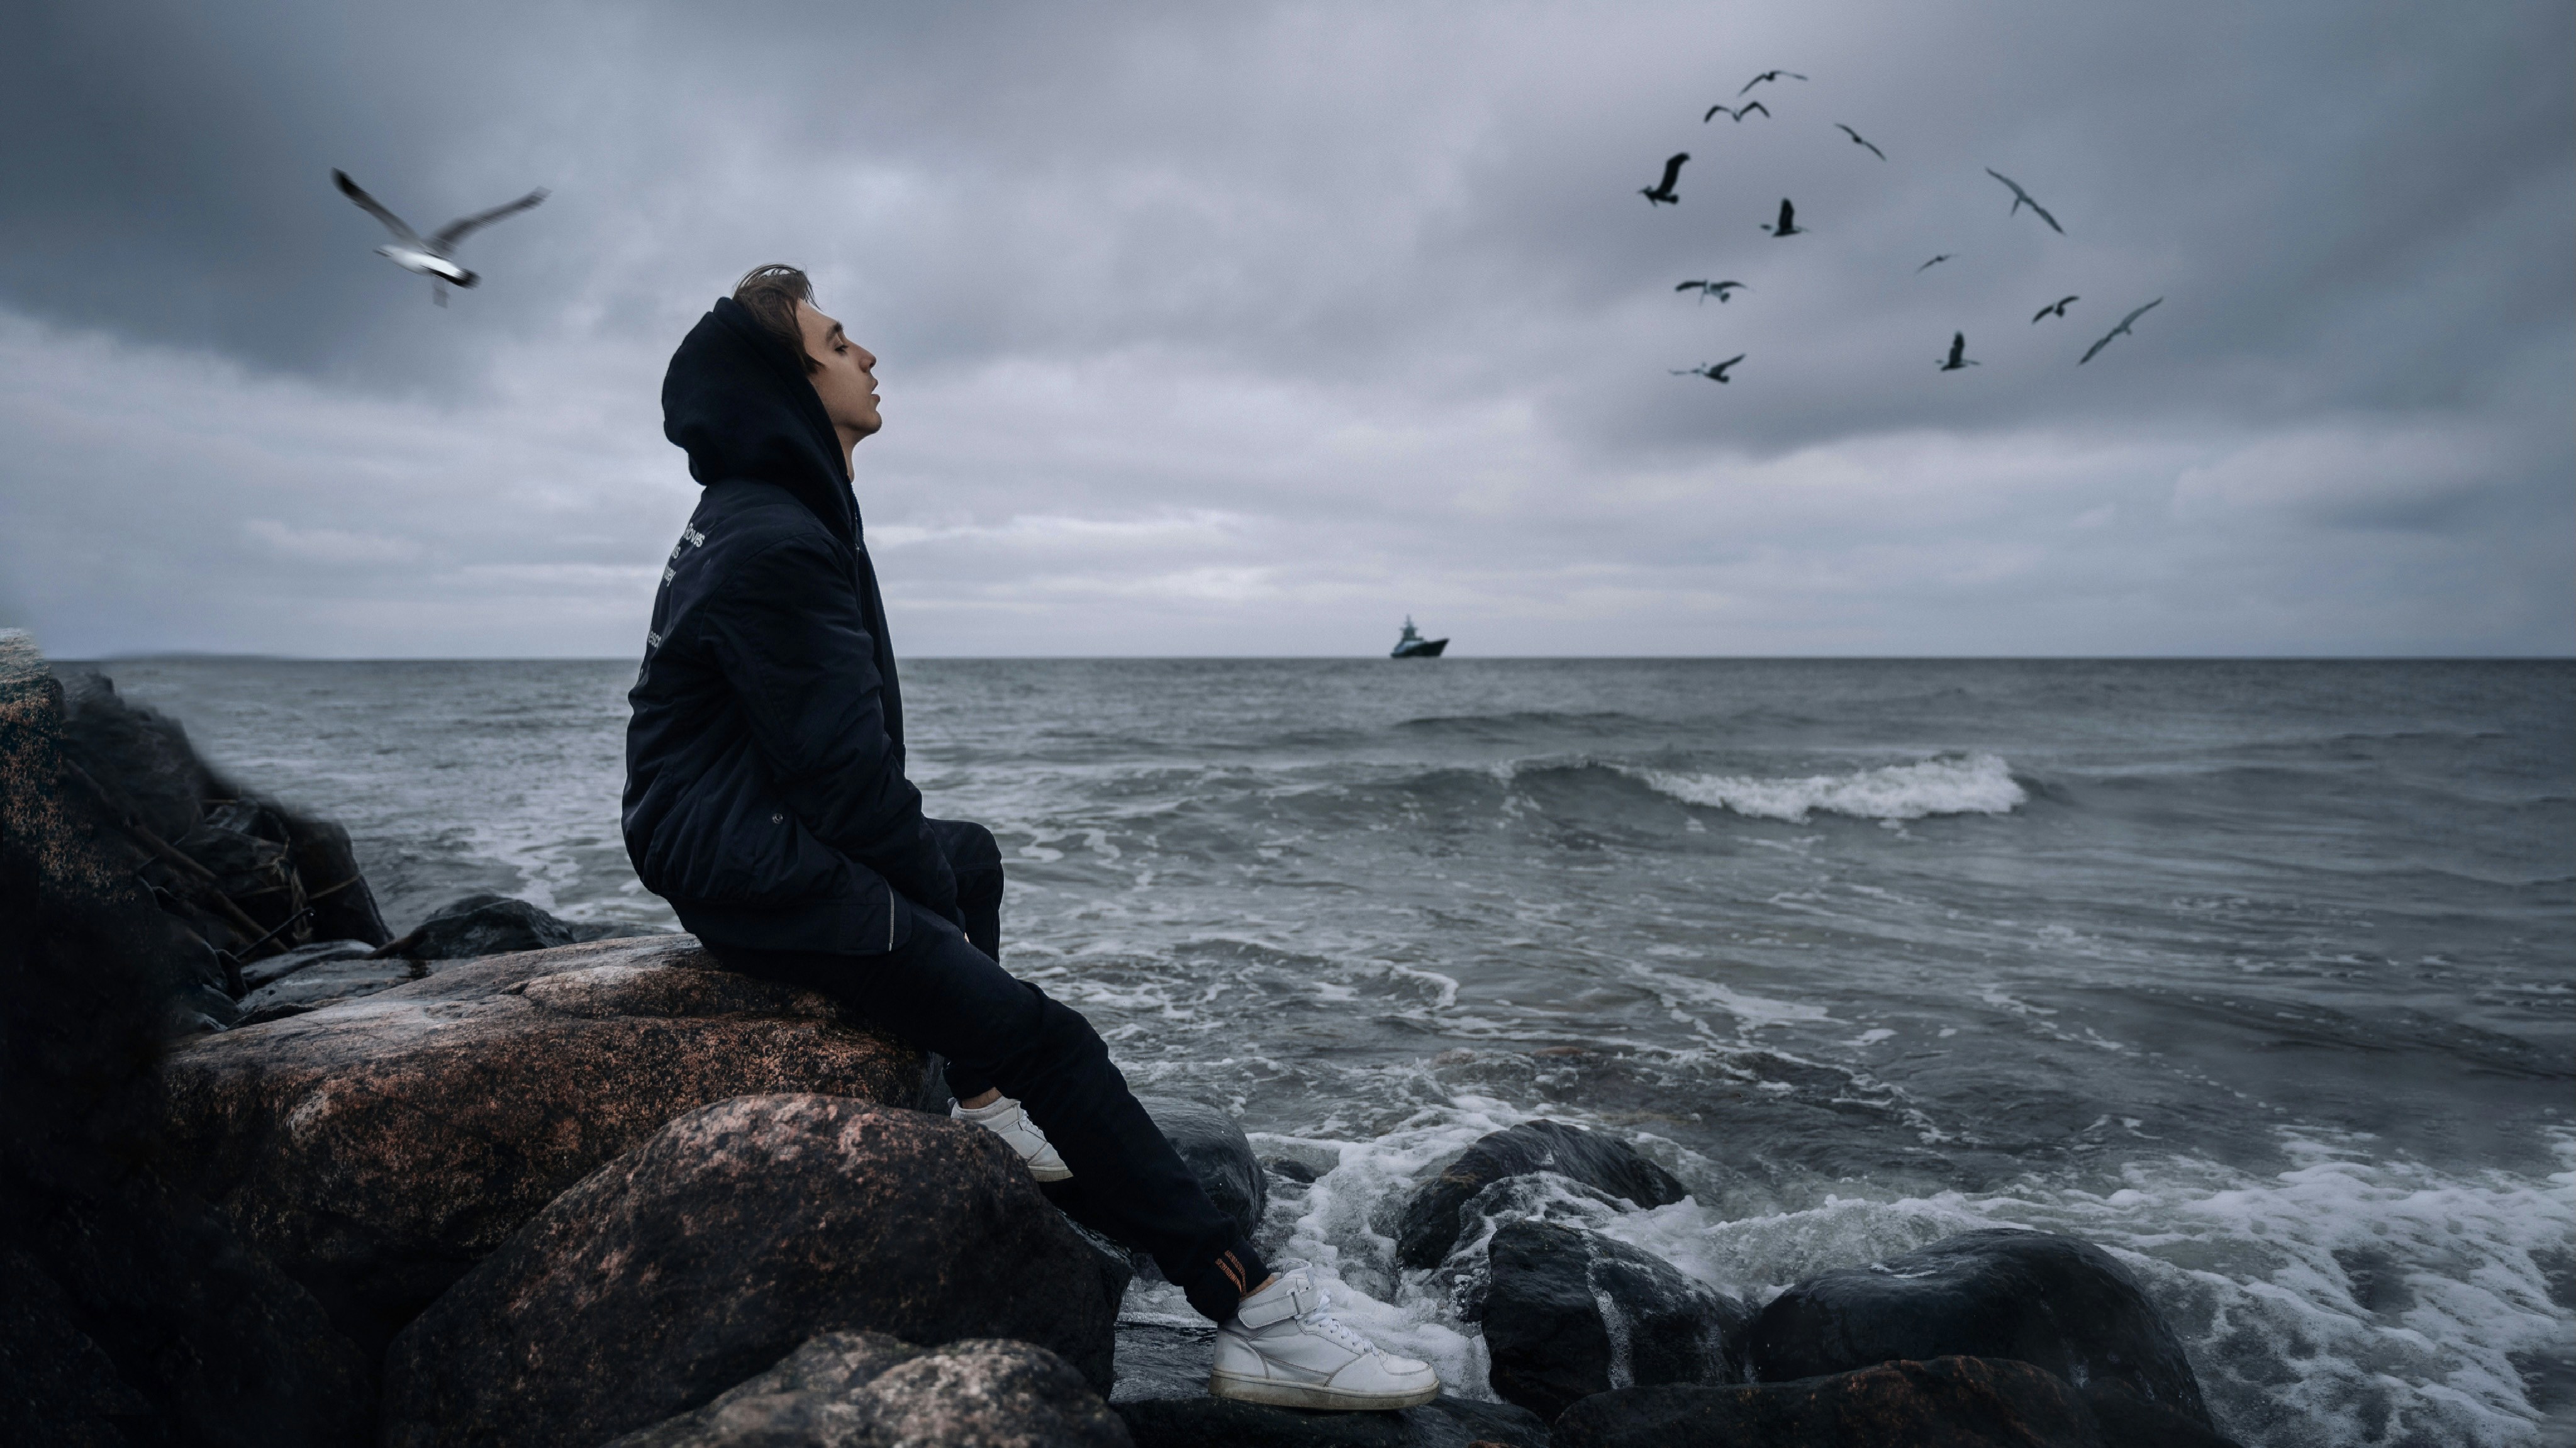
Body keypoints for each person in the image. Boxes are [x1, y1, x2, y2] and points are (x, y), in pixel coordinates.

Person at [622, 265, 1439, 1412]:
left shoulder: (770, 510)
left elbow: (823, 766)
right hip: (747, 857)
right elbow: (850, 791)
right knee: (1047, 1036)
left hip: (732, 824)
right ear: (788, 384)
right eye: (839, 341)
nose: (869, 357)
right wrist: (948, 966)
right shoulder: (778, 540)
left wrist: (933, 905)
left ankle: (979, 1110)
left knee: (970, 855)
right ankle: (1252, 1311)